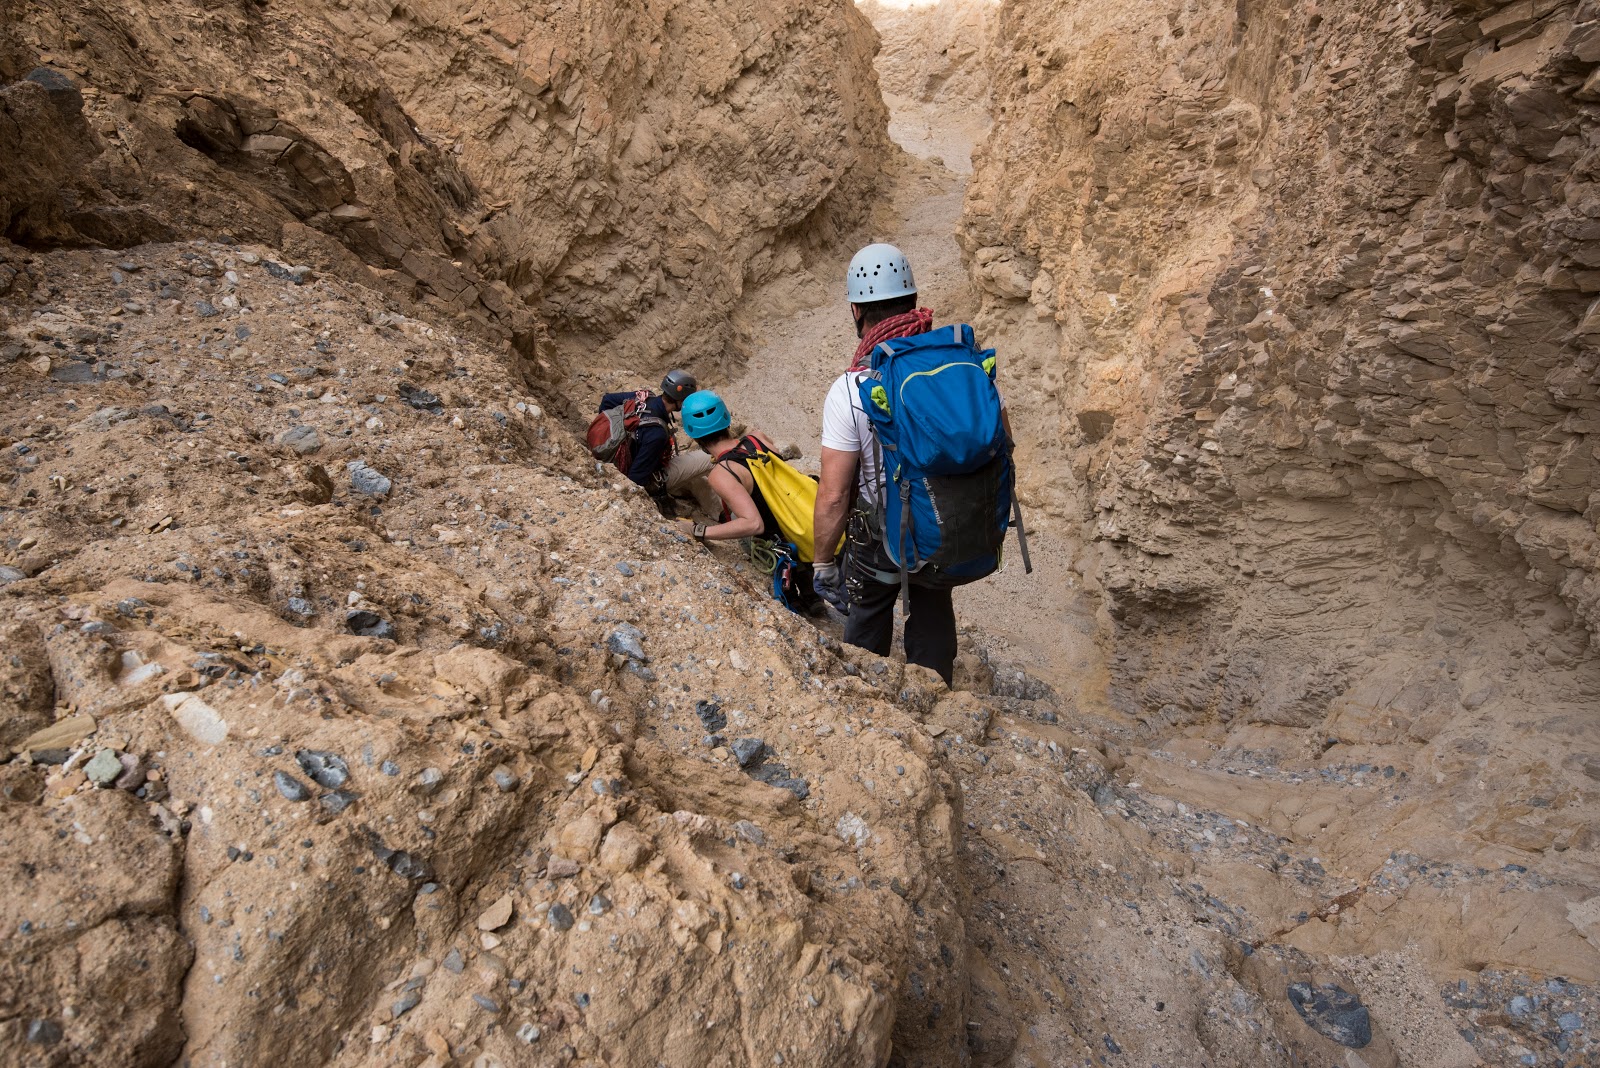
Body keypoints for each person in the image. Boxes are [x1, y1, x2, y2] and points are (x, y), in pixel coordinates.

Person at [812, 243, 1006, 685]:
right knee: (935, 610)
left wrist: (823, 561)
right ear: (915, 302)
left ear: (857, 312)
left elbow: (835, 494)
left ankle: (866, 702)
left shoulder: (849, 388)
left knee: (867, 614)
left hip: (878, 543)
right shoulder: (966, 366)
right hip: (943, 523)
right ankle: (935, 695)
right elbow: (1002, 442)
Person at [596, 369, 720, 517]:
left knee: (697, 479)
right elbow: (635, 478)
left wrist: (613, 433)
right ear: (682, 399)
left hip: (607, 456)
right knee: (709, 457)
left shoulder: (642, 398)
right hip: (649, 479)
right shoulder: (657, 434)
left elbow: (607, 400)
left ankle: (720, 514)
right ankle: (729, 516)